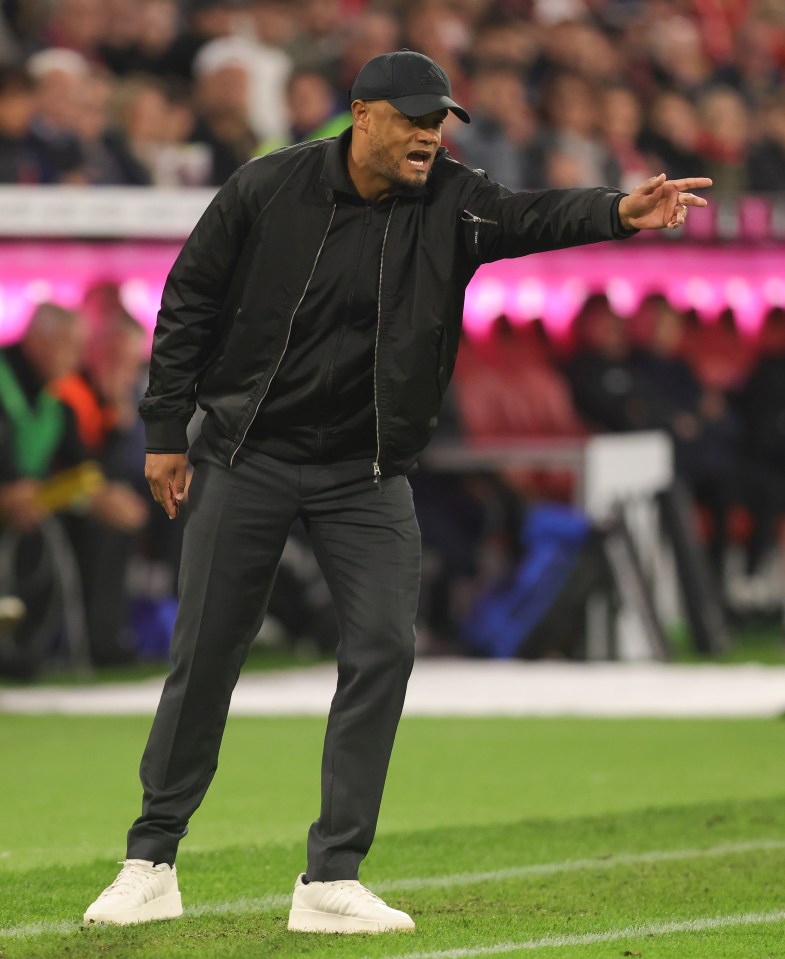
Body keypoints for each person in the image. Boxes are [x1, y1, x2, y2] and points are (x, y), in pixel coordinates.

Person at [83, 49, 710, 934]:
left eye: (438, 121)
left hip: (364, 474)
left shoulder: (452, 199)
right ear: (361, 115)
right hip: (245, 454)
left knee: (382, 649)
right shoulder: (266, 188)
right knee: (206, 656)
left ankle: (331, 876)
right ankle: (151, 859)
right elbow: (187, 301)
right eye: (413, 119)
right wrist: (161, 432)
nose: (428, 135)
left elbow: (530, 214)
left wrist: (616, 210)